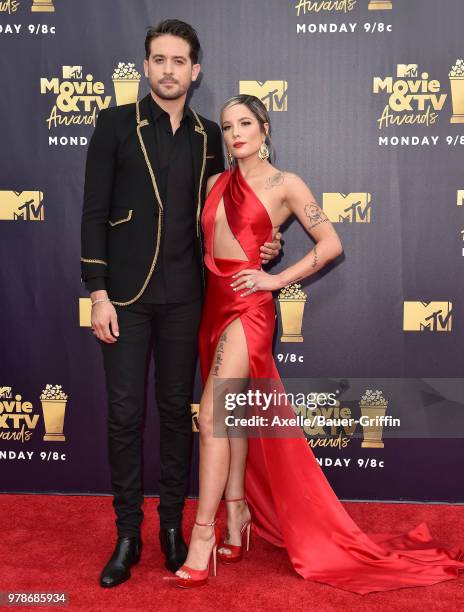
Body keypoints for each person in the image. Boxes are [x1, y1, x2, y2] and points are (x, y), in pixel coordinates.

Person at [174, 94, 464, 592]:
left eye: (245, 123)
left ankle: (203, 535)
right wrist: (268, 246)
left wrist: (275, 277)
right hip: (212, 307)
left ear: (265, 127)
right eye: (226, 127)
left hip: (248, 307)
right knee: (235, 416)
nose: (235, 133)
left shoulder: (287, 184)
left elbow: (331, 244)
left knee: (215, 417)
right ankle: (238, 516)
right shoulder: (214, 183)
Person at [80, 21, 281, 588]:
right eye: (158, 59)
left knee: (176, 415)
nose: (167, 69)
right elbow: (94, 214)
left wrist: (270, 241)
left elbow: (230, 209)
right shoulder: (115, 123)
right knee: (124, 416)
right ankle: (127, 535)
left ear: (196, 71)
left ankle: (172, 528)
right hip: (123, 296)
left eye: (179, 60)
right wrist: (97, 293)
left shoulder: (206, 135)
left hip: (187, 298)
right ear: (146, 66)